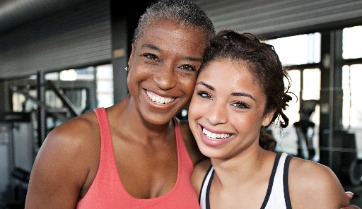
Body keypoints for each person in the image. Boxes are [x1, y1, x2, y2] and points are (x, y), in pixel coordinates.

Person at [25, 0, 215, 208]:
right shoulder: (72, 144)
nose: (165, 81)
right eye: (152, 57)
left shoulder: (198, 141)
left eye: (187, 67)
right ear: (131, 57)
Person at [188, 30, 359, 209]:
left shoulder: (310, 185)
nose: (215, 117)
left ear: (268, 114)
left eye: (239, 104)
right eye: (205, 94)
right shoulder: (198, 179)